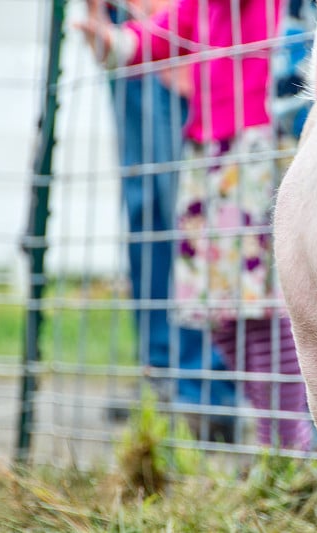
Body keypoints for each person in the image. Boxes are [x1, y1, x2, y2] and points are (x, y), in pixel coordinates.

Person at [78, 0, 312, 450]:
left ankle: (291, 440)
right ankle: (281, 441)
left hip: (258, 154)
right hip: (210, 159)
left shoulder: (268, 9)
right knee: (221, 313)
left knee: (264, 309)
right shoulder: (195, 8)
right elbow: (139, 44)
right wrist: (104, 40)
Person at [85, 0, 237, 437]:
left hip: (188, 27)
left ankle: (206, 389)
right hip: (123, 22)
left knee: (190, 213)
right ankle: (160, 375)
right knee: (145, 208)